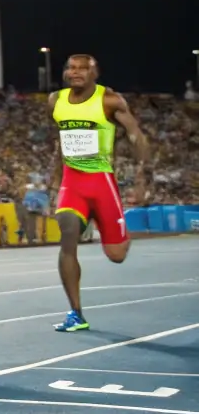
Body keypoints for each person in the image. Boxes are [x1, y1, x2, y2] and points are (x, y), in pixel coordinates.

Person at [48, 54, 150, 332]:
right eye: (71, 67)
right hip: (73, 182)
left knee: (116, 255)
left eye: (83, 68)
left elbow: (136, 136)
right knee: (68, 236)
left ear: (95, 74)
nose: (76, 72)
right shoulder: (56, 101)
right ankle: (76, 314)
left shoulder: (110, 101)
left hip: (101, 182)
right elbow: (60, 141)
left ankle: (114, 228)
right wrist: (55, 180)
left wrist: (141, 177)